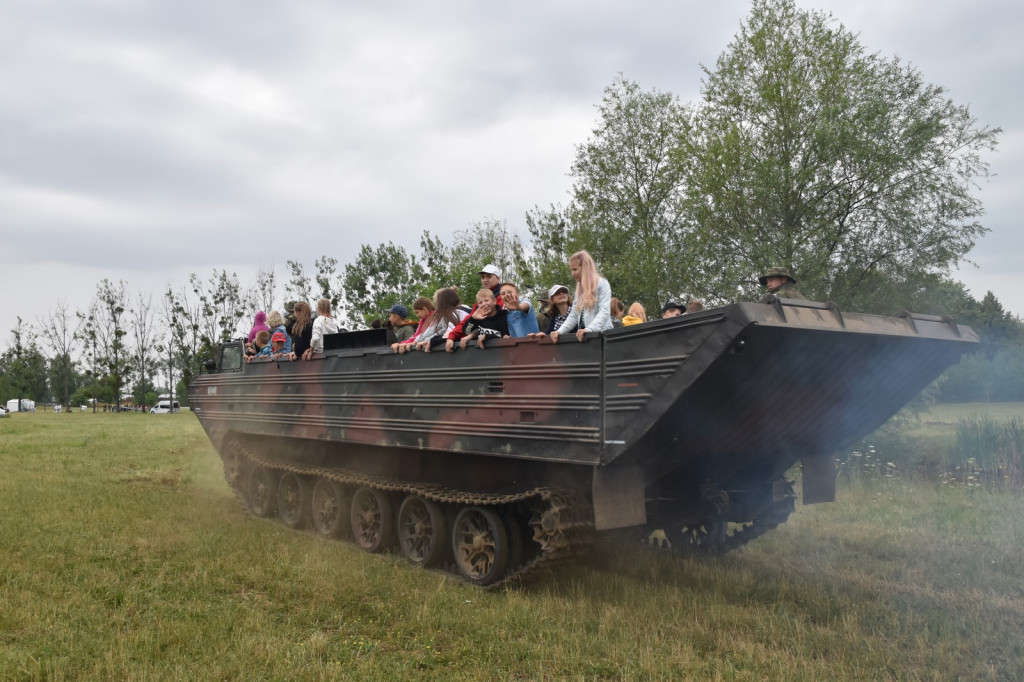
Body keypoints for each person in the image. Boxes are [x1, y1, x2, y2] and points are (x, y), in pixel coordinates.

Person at [549, 250, 613, 343]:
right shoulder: (580, 290)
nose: (572, 273)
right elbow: (574, 316)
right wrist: (559, 331)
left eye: (575, 269)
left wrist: (590, 329)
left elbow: (604, 311)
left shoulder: (602, 284)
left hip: (603, 338)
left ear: (585, 268)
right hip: (587, 338)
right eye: (571, 270)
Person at [448, 264, 505, 343]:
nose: (485, 280)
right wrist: (452, 336)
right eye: (483, 277)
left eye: (489, 276)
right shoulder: (480, 300)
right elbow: (468, 322)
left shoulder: (504, 295)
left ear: (498, 278)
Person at [414, 288, 469, 353]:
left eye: (437, 303)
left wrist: (431, 341)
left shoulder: (455, 313)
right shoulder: (462, 310)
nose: (436, 307)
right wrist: (418, 341)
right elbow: (437, 329)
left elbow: (449, 331)